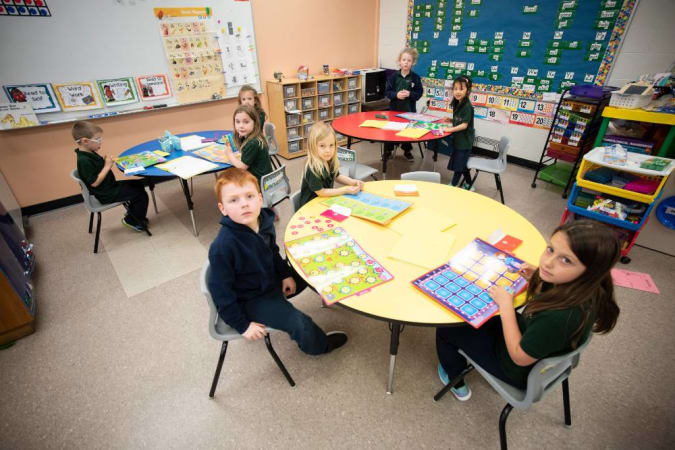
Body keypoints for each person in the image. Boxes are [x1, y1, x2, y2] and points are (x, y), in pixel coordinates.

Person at [436, 220, 620, 401]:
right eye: (550, 250)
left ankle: (454, 378)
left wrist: (506, 306)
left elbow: (519, 358)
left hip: (515, 367)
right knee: (479, 310)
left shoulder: (559, 317)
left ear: (590, 272)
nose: (547, 263)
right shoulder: (588, 288)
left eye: (566, 260)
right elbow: (545, 310)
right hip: (531, 337)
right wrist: (538, 279)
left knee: (447, 328)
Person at [207, 168, 348, 354]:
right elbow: (221, 293)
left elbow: (272, 252)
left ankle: (339, 291)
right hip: (252, 299)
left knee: (308, 265)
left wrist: (284, 274)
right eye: (234, 200)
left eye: (249, 196)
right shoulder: (223, 247)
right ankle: (318, 347)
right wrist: (243, 326)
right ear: (222, 208)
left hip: (269, 279)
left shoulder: (263, 222)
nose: (244, 205)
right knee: (299, 322)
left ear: (259, 198)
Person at [72, 121, 149, 231]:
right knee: (141, 194)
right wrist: (107, 166)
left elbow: (95, 170)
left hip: (109, 187)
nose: (100, 142)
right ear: (85, 141)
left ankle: (133, 215)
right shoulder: (84, 160)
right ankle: (131, 221)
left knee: (137, 184)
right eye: (98, 139)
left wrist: (103, 162)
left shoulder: (89, 152)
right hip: (106, 193)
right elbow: (94, 182)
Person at [298, 122, 363, 208]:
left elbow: (337, 176)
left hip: (324, 201)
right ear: (313, 146)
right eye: (322, 146)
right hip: (310, 207)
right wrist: (345, 190)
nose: (328, 150)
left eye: (331, 145)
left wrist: (353, 182)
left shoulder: (329, 159)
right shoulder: (312, 167)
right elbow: (321, 192)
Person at [383, 47, 423, 162]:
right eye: (404, 60)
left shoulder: (415, 78)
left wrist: (410, 94)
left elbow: (419, 93)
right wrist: (396, 95)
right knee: (391, 132)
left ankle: (407, 151)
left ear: (413, 63)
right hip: (394, 111)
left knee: (407, 132)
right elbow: (387, 92)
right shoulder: (393, 77)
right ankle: (388, 151)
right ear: (399, 61)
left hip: (409, 111)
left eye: (409, 60)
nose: (406, 62)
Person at [439, 75, 475, 187]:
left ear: (468, 91)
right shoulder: (457, 102)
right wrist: (450, 119)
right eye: (455, 89)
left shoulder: (467, 106)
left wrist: (449, 129)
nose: (457, 92)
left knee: (459, 165)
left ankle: (453, 185)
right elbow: (459, 119)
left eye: (461, 89)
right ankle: (469, 185)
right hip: (459, 140)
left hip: (464, 142)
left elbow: (464, 125)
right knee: (462, 163)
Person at [223, 105, 273, 184]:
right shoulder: (255, 136)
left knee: (229, 182)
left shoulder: (252, 143)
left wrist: (229, 154)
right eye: (237, 122)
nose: (241, 126)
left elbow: (242, 168)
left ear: (255, 123)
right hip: (266, 179)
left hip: (259, 183)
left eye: (246, 122)